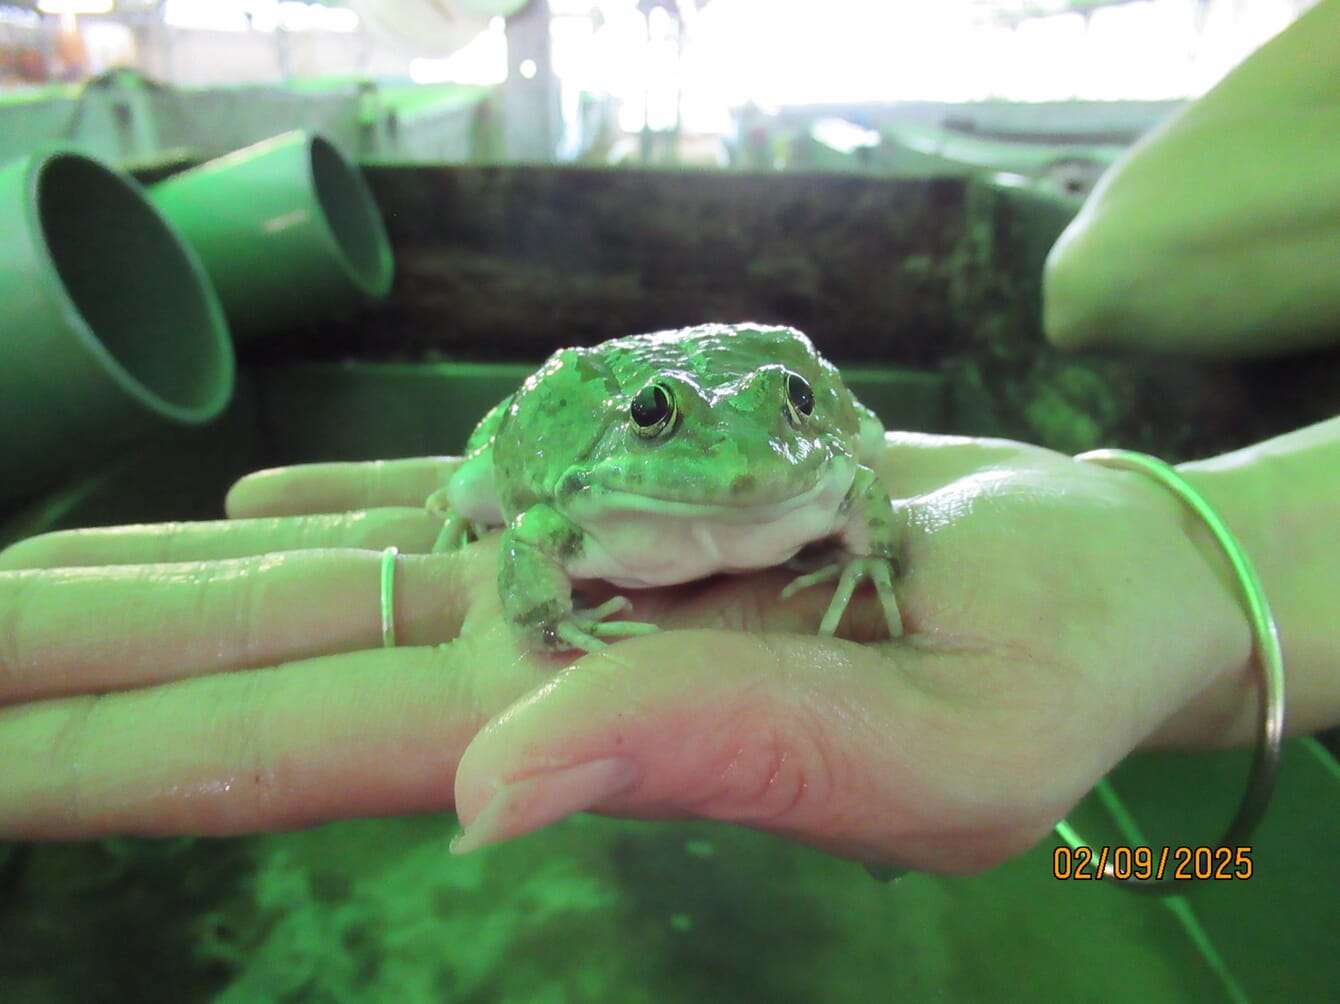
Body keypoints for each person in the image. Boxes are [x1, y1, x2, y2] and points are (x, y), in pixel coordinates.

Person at [0, 0, 1335, 875]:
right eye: (670, 425)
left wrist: (883, 543)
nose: (750, 455)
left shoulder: (823, 476)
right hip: (553, 427)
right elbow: (526, 524)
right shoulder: (590, 504)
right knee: (470, 486)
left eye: (795, 425)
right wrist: (551, 617)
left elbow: (852, 472)